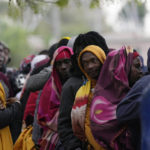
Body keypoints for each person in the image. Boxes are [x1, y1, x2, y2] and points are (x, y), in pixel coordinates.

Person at [58, 31, 109, 150]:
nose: (90, 66)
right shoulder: (72, 86)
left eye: (93, 59)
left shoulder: (114, 82)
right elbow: (65, 125)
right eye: (84, 60)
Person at [89, 46, 143, 150]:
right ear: (121, 70)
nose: (141, 71)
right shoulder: (101, 102)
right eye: (137, 67)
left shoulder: (137, 92)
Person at [37, 46, 73, 150]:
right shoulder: (49, 88)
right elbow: (42, 118)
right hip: (53, 136)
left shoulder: (81, 83)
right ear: (55, 67)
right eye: (59, 63)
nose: (63, 67)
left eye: (67, 62)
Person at [71, 45, 106, 150]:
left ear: (102, 60)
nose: (90, 66)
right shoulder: (81, 92)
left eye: (93, 61)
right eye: (85, 63)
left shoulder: (114, 87)